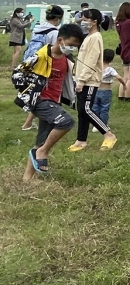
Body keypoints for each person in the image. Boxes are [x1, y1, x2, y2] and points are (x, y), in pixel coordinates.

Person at [22, 23, 84, 180]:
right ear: (60, 40)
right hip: (41, 101)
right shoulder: (41, 56)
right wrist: (29, 97)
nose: (72, 48)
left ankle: (26, 179)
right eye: (70, 45)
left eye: (75, 46)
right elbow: (20, 73)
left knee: (41, 141)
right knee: (66, 122)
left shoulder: (65, 59)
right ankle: (42, 152)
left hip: (54, 101)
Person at [68, 8, 118, 152]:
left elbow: (91, 60)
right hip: (82, 78)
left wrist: (82, 80)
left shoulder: (96, 37)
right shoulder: (88, 37)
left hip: (89, 80)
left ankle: (108, 134)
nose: (82, 22)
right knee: (81, 110)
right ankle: (81, 140)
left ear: (94, 22)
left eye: (85, 19)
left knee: (87, 109)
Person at [20, 5, 65, 131]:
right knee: (46, 96)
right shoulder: (54, 32)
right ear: (58, 18)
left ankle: (29, 123)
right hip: (47, 67)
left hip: (35, 65)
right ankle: (35, 123)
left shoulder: (38, 28)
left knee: (39, 94)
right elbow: (56, 51)